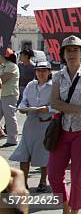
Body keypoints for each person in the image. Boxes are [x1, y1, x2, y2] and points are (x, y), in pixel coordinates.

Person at [48, 36, 81, 214]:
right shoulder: (58, 76)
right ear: (63, 54)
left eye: (75, 50)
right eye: (68, 50)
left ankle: (74, 211)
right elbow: (55, 103)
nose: (71, 53)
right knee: (53, 175)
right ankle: (66, 205)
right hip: (61, 130)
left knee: (78, 177)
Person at [9, 60, 55, 192]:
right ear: (35, 72)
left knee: (43, 154)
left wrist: (48, 108)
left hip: (45, 124)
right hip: (30, 124)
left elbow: (58, 106)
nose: (41, 73)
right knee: (24, 154)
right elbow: (23, 102)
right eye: (39, 70)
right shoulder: (30, 85)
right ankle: (24, 183)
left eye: (44, 70)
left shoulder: (53, 86)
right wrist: (23, 108)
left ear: (49, 72)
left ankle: (42, 181)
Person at [0, 48, 20, 147]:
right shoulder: (3, 66)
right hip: (3, 94)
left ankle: (12, 139)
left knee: (10, 117)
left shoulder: (12, 66)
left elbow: (3, 79)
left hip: (10, 94)